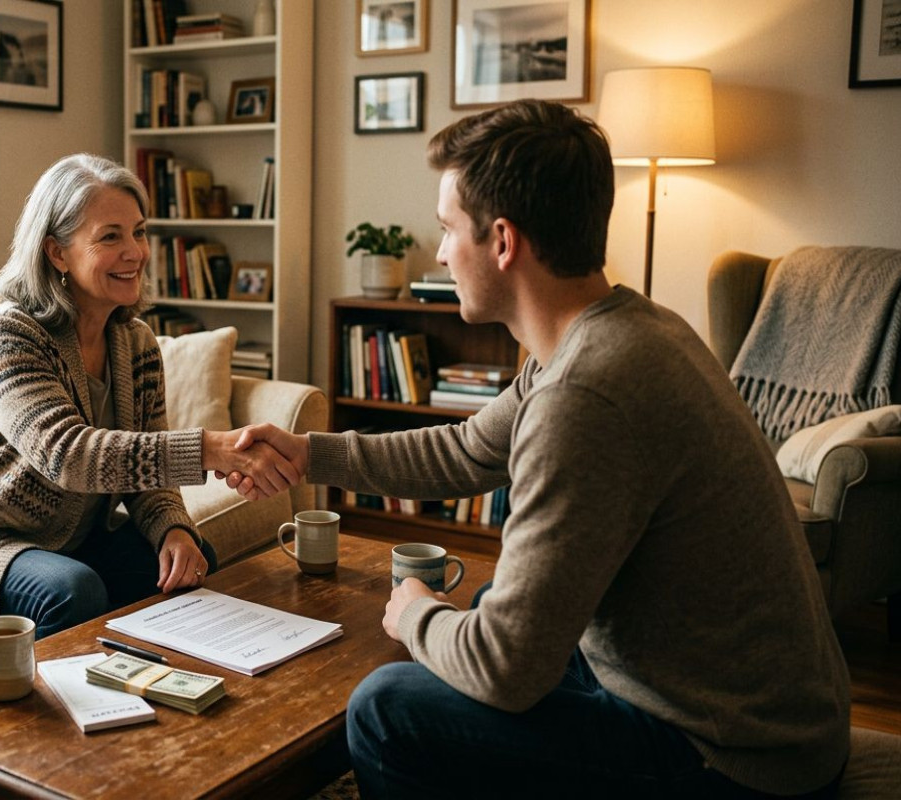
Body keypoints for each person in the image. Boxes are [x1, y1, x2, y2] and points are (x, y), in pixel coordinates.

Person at [225, 100, 850, 797]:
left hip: (734, 758)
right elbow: (465, 450)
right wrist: (311, 453)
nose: (437, 253)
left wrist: (417, 612)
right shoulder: (620, 329)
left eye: (446, 230)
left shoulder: (586, 395)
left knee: (385, 710)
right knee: (495, 599)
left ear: (501, 240)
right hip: (745, 709)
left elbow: (503, 670)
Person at [0, 153, 298, 640]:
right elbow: (67, 454)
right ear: (57, 253)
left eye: (139, 232)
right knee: (72, 591)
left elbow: (149, 473)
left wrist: (172, 527)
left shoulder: (136, 343)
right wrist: (210, 448)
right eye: (110, 236)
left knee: (193, 558)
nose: (136, 252)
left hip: (69, 541)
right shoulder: (8, 336)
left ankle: (159, 692)